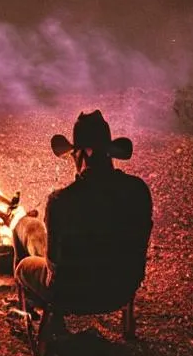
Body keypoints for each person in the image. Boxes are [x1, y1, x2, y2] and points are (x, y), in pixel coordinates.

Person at [13, 110, 153, 315]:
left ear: (82, 154)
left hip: (70, 294)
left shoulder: (61, 201)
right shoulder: (138, 190)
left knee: (23, 262)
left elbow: (53, 266)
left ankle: (46, 319)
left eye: (73, 154)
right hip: (122, 288)